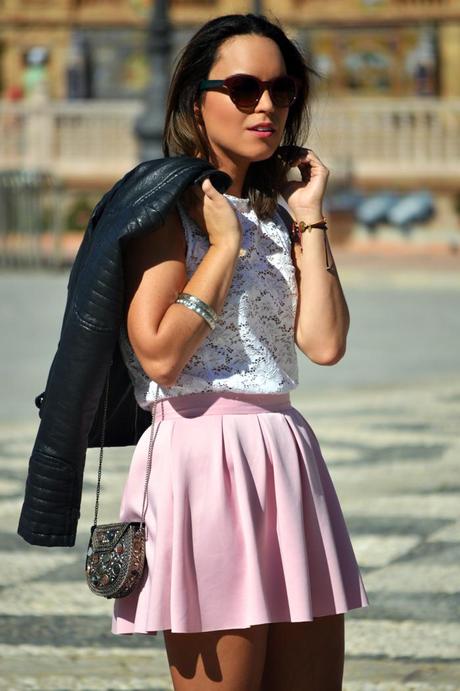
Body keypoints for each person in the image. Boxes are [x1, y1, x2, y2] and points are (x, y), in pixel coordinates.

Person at [111, 13, 369, 691]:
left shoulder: (280, 214)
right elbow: (161, 355)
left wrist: (309, 212)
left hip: (286, 455)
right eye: (245, 87)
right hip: (201, 460)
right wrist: (222, 248)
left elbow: (325, 342)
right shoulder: (164, 207)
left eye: (282, 91)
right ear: (197, 100)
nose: (267, 106)